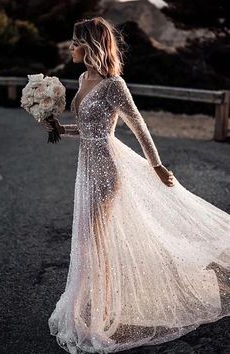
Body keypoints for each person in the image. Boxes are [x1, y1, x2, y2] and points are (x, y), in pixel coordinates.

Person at [41, 16, 230, 354]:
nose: (70, 46)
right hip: (86, 169)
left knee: (93, 244)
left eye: (75, 40)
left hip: (106, 172)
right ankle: (98, 311)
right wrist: (58, 128)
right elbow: (86, 131)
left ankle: (98, 320)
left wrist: (157, 166)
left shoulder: (114, 84)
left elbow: (138, 125)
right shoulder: (83, 78)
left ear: (90, 44)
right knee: (88, 242)